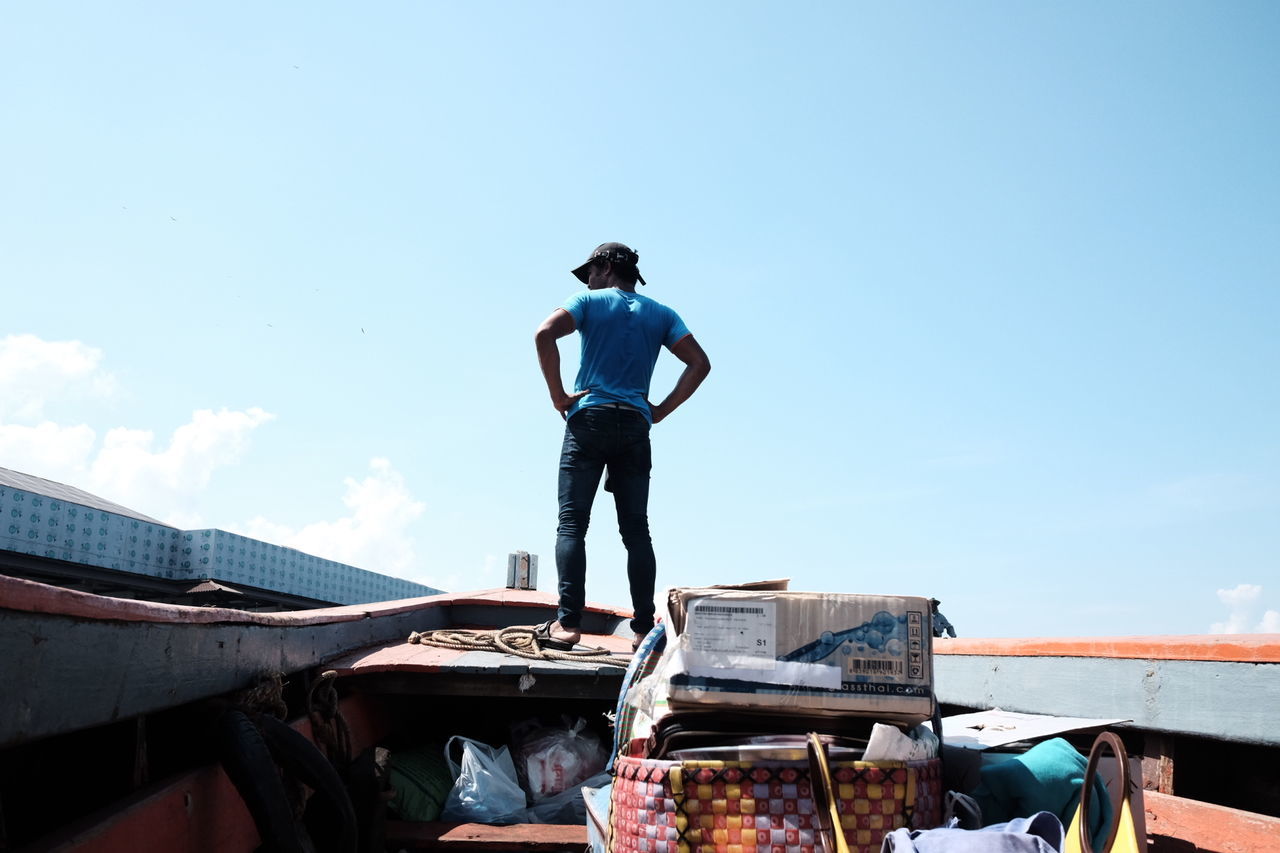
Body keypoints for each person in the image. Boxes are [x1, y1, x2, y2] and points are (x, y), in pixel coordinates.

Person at [534, 242, 710, 652]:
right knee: (636, 531)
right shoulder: (662, 314)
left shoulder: (588, 302)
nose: (588, 281)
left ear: (605, 267)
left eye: (590, 273)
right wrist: (660, 411)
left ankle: (568, 624)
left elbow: (544, 333)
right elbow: (699, 363)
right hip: (634, 425)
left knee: (573, 523)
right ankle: (642, 629)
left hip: (590, 418)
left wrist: (558, 396)